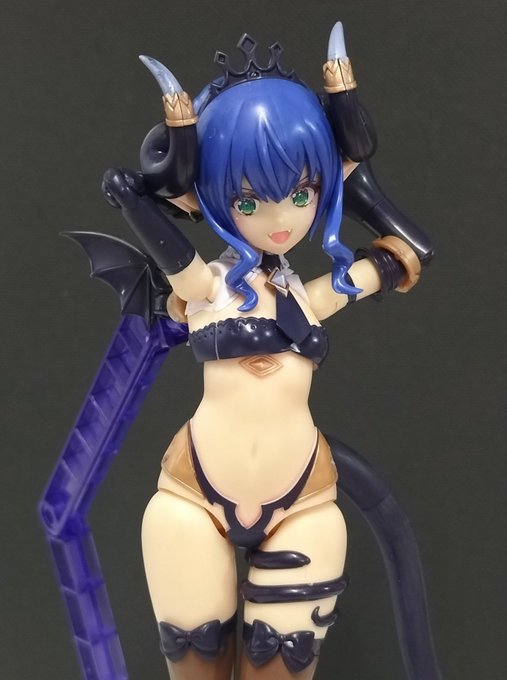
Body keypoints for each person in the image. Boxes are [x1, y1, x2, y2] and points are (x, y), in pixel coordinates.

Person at [98, 23, 433, 680]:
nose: (280, 219)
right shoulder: (206, 288)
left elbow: (411, 252)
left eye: (301, 194)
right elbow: (177, 261)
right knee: (194, 664)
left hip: (303, 497)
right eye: (250, 199)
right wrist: (136, 206)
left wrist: (357, 180)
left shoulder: (313, 294)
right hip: (194, 494)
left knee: (282, 668)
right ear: (207, 196)